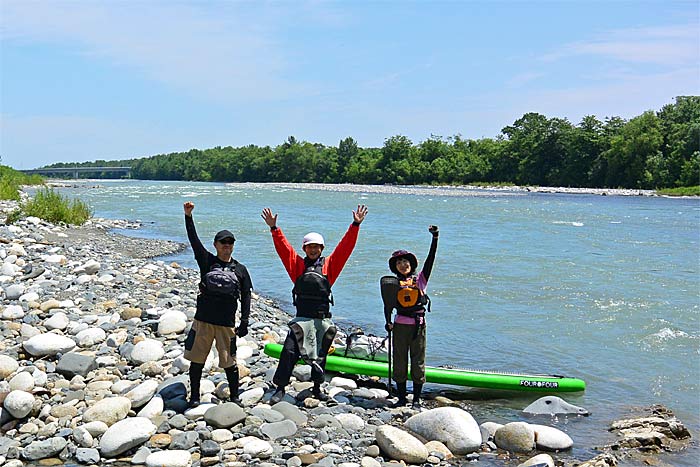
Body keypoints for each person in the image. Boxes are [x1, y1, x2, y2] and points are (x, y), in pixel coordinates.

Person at [261, 204, 368, 403]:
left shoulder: (329, 267)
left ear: (321, 249)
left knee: (320, 356)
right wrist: (274, 229)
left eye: (316, 247)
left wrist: (355, 225)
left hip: (321, 321)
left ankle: (317, 388)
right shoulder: (297, 266)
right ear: (305, 249)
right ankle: (280, 388)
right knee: (290, 351)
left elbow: (345, 249)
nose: (313, 250)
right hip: (301, 320)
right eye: (309, 247)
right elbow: (284, 250)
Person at [183, 201, 253, 407]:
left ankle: (234, 397)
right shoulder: (207, 261)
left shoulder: (240, 270)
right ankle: (194, 397)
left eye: (230, 243)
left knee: (229, 363)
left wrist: (245, 322)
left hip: (226, 324)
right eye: (223, 243)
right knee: (197, 361)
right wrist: (188, 216)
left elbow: (246, 296)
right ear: (215, 245)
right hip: (203, 321)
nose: (226, 246)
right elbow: (194, 240)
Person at [383, 225, 439, 408]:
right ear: (395, 266)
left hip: (418, 326)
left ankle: (416, 399)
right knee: (399, 361)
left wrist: (435, 238)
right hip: (399, 326)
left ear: (411, 264)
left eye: (406, 261)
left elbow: (430, 260)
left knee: (418, 361)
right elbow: (388, 305)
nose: (403, 264)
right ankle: (401, 398)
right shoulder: (392, 283)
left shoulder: (421, 280)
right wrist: (388, 322)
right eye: (399, 262)